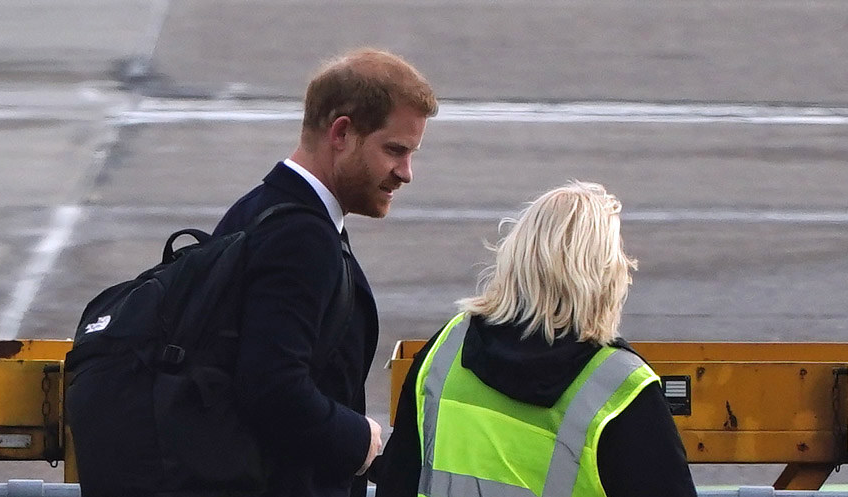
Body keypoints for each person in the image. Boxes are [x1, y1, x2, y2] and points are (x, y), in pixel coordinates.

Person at [371, 181, 697, 497]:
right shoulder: (618, 389)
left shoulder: (445, 352)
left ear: (515, 257)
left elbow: (399, 481)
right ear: (607, 276)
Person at [212, 48, 437, 497]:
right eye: (394, 150)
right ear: (342, 133)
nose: (406, 173)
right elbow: (270, 387)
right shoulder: (300, 238)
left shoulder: (258, 211)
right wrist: (360, 440)